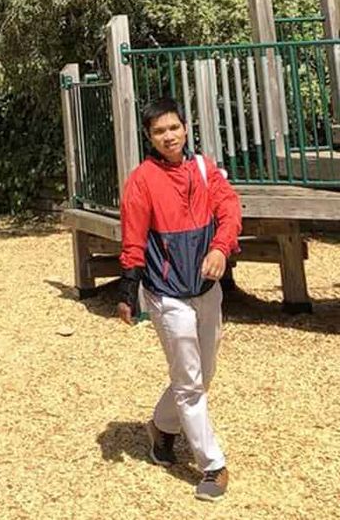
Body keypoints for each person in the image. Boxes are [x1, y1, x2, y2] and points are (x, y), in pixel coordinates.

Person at [117, 96, 242, 503]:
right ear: (149, 138)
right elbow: (133, 237)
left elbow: (229, 209)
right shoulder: (142, 179)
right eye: (158, 131)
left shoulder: (205, 170)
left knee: (203, 376)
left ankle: (162, 427)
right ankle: (213, 466)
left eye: (173, 127)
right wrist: (127, 291)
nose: (168, 136)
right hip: (166, 293)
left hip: (206, 288)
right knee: (190, 382)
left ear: (185, 127)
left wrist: (221, 247)